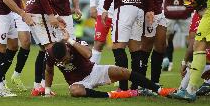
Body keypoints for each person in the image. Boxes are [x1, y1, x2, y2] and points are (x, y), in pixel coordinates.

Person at [44, 29, 175, 98]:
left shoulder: (73, 44)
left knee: (123, 71)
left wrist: (71, 41)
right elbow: (49, 70)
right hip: (79, 82)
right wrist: (47, 91)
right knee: (75, 91)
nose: (63, 62)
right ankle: (114, 95)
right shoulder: (50, 53)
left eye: (65, 58)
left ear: (67, 49)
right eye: (61, 61)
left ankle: (159, 90)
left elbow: (89, 55)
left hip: (94, 71)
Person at [26, 0, 67, 96]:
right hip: (38, 12)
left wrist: (54, 14)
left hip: (34, 11)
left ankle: (38, 86)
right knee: (51, 49)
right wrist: (51, 15)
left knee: (44, 50)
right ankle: (44, 87)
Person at [162, 0, 192, 72]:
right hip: (184, 12)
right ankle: (189, 63)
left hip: (170, 12)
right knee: (190, 40)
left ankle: (167, 60)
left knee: (167, 39)